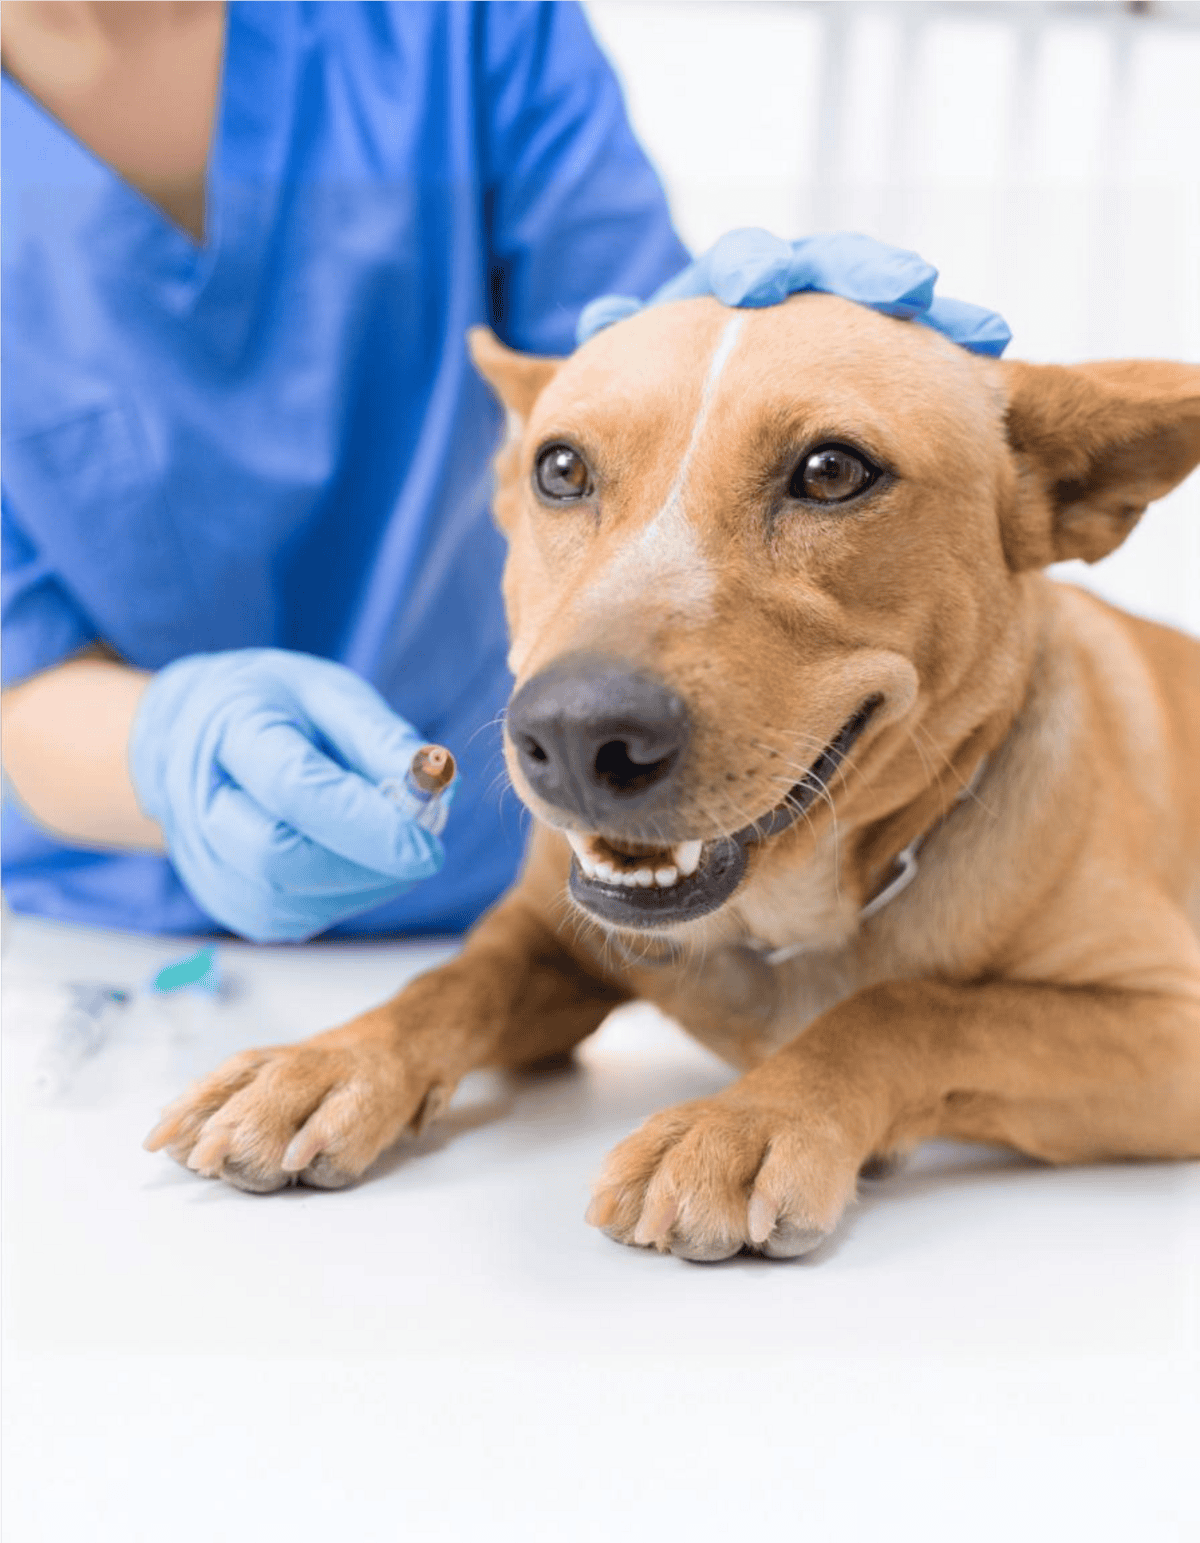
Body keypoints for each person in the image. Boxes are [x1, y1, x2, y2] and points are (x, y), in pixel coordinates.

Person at [0, 0, 1005, 945]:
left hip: (551, 864)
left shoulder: (462, 24)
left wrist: (769, 371)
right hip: (107, 916)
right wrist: (176, 750)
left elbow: (619, 381)